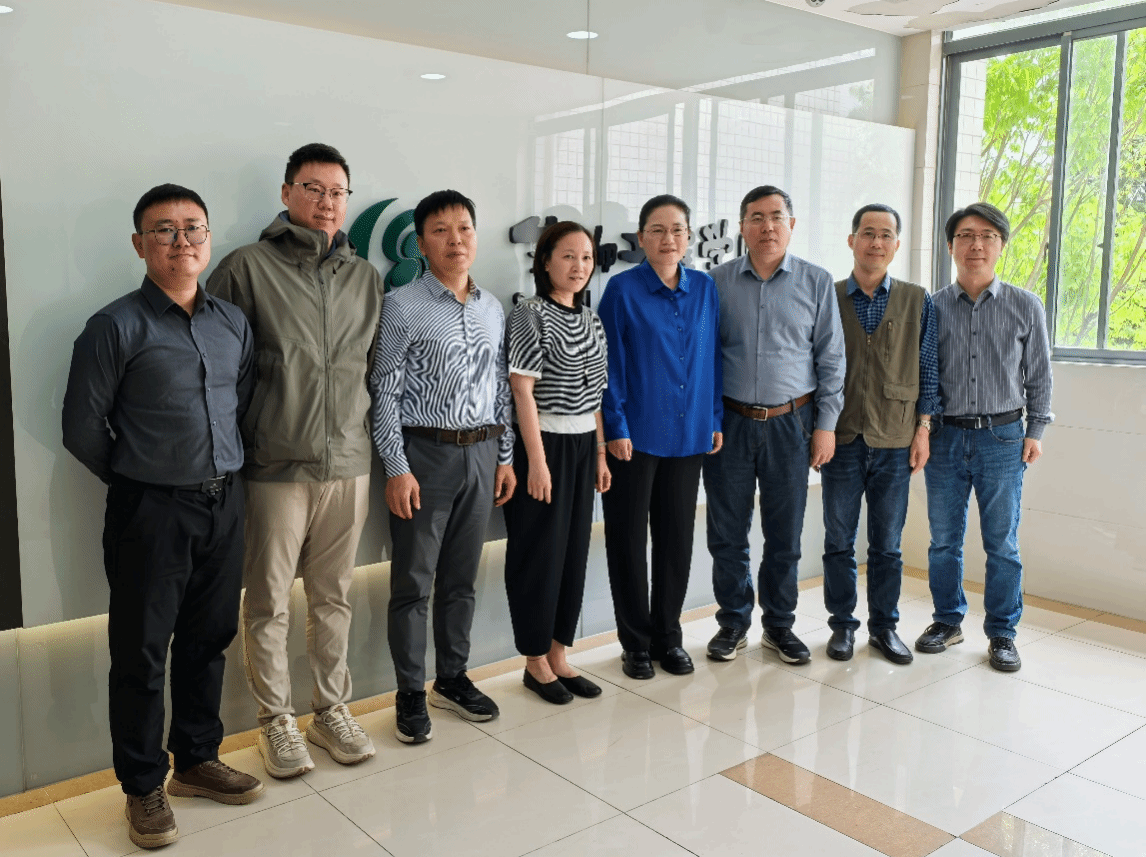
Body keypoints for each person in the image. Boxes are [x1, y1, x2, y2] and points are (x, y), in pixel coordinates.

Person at [62, 184, 263, 849]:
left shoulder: (232, 322)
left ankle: (197, 759)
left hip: (225, 500)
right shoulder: (114, 326)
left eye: (193, 228)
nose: (182, 241)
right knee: (142, 652)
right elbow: (82, 429)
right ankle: (142, 783)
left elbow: (239, 402)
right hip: (149, 508)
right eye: (164, 230)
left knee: (210, 637)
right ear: (139, 243)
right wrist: (142, 477)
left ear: (208, 237)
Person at [207, 143, 383, 778]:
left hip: (349, 461)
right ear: (286, 194)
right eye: (314, 188)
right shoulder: (244, 268)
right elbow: (216, 373)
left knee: (335, 596)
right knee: (269, 600)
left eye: (338, 192)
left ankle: (330, 710)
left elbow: (373, 368)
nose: (327, 202)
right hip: (274, 465)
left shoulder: (365, 277)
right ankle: (274, 721)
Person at [369, 189, 516, 742]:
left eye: (464, 228)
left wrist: (504, 457)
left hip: (482, 453)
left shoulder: (492, 308)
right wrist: (396, 466)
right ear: (421, 243)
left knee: (462, 579)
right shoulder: (401, 304)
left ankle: (451, 678)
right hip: (424, 456)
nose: (456, 240)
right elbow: (384, 392)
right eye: (441, 230)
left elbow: (500, 387)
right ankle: (409, 692)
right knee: (413, 581)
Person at [704, 185, 846, 665]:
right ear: (742, 226)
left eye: (776, 217)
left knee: (784, 534)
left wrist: (825, 425)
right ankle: (732, 622)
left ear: (792, 224)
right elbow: (704, 357)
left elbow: (832, 358)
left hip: (792, 423)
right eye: (757, 217)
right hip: (730, 423)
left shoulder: (816, 281)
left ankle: (780, 625)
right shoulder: (717, 282)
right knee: (727, 532)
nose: (767, 226)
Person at [916, 202, 1053, 672]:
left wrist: (1035, 430)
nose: (976, 244)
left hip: (1004, 437)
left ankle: (1002, 633)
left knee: (1002, 543)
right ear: (951, 245)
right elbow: (923, 377)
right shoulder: (932, 307)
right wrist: (923, 430)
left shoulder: (1026, 305)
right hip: (945, 438)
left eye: (988, 236)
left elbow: (1040, 375)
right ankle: (947, 620)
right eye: (966, 235)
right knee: (943, 541)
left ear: (1001, 245)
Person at [597, 194, 722, 681]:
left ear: (688, 237)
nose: (668, 239)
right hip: (635, 437)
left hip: (689, 434)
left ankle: (669, 637)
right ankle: (635, 642)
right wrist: (616, 427)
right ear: (641, 237)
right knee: (628, 541)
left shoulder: (705, 288)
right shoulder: (622, 290)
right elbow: (609, 366)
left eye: (677, 230)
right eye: (657, 230)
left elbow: (712, 358)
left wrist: (714, 418)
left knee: (676, 541)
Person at [820, 204, 939, 664]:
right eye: (868, 233)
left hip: (895, 439)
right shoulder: (828, 296)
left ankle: (884, 628)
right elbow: (813, 367)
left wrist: (923, 429)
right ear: (852, 240)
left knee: (887, 545)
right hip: (842, 438)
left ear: (896, 245)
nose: (876, 242)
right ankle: (842, 627)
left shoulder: (917, 299)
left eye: (886, 234)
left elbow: (928, 369)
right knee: (838, 541)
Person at [504, 221, 611, 705]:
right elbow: (522, 391)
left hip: (584, 445)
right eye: (568, 256)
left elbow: (596, 397)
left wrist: (601, 454)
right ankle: (534, 661)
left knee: (572, 553)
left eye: (586, 257)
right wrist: (537, 462)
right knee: (539, 555)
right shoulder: (529, 314)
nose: (578, 266)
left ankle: (559, 654)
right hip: (543, 444)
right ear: (545, 262)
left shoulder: (592, 320)